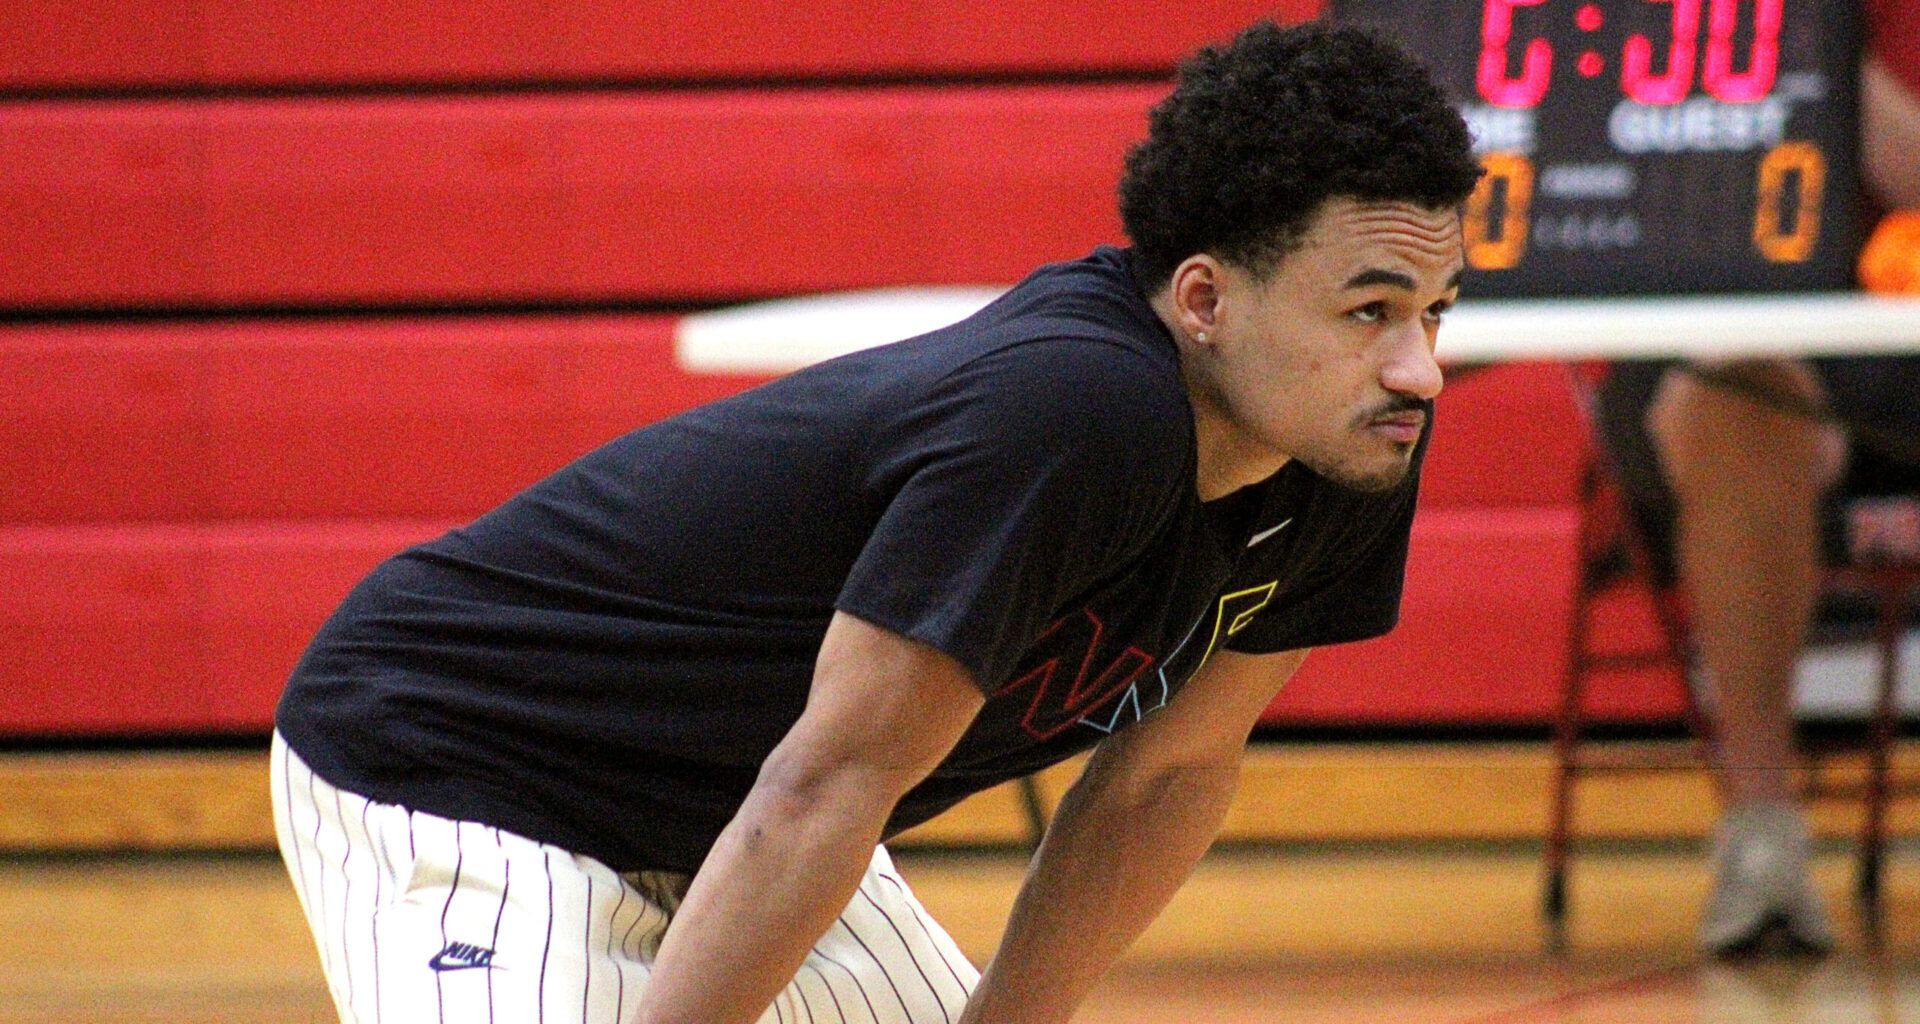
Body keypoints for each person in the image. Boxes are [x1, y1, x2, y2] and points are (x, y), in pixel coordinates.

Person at [270, 20, 1482, 1024]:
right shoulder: (1077, 410)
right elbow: (827, 781)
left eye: (1434, 309)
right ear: (1204, 299)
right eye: (1369, 310)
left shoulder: (1347, 443)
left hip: (744, 814)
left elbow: (1167, 774)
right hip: (475, 765)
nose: (1417, 368)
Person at [1595, 0, 1920, 958]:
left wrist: (1824, 56)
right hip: (1682, 348)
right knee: (1741, 395)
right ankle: (1765, 834)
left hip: (1878, 343)